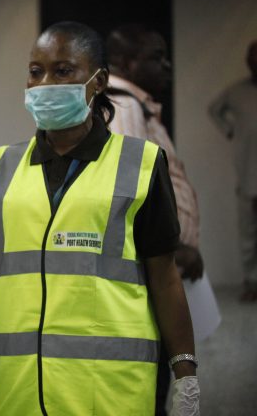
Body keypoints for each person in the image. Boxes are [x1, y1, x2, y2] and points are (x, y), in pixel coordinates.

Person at [0, 22, 200, 415]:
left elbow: (165, 278)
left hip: (110, 393)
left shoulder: (141, 164)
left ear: (98, 81)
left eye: (64, 70)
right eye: (36, 71)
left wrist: (185, 372)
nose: (46, 82)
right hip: (22, 392)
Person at [106, 23, 213, 415]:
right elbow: (125, 200)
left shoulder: (137, 104)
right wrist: (173, 249)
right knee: (148, 385)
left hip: (160, 266)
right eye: (156, 57)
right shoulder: (122, 106)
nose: (167, 66)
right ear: (124, 62)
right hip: (150, 272)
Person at [208, 39, 257, 302]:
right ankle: (251, 282)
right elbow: (214, 110)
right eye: (253, 57)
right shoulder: (236, 92)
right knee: (249, 233)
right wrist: (230, 130)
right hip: (248, 174)